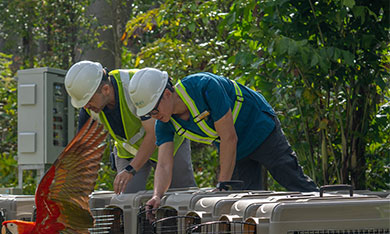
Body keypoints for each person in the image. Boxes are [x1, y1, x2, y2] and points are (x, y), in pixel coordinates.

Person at [128, 68, 318, 211]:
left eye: (154, 110)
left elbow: (229, 137)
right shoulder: (164, 123)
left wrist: (223, 184)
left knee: (292, 179)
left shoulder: (204, 86)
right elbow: (163, 165)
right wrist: (157, 196)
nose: (154, 116)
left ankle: (331, 218)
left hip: (259, 129)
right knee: (244, 204)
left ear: (167, 95)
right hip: (236, 151)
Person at [64, 61, 197, 194]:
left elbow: (154, 134)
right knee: (126, 200)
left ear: (105, 89)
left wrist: (131, 170)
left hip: (166, 144)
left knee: (181, 195)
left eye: (88, 101)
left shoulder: (136, 86)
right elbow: (82, 148)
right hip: (129, 153)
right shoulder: (89, 106)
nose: (86, 107)